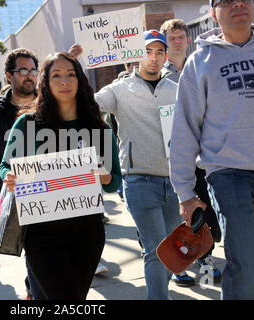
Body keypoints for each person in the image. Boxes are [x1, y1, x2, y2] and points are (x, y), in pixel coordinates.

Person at [170, 0, 254, 299]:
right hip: (228, 175)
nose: (238, 4)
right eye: (227, 0)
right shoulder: (199, 62)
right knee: (247, 262)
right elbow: (184, 130)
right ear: (213, 13)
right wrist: (185, 193)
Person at [70, 30, 184, 299]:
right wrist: (75, 65)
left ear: (166, 56)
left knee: (170, 251)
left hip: (176, 183)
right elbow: (88, 105)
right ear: (136, 55)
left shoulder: (177, 90)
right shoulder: (119, 89)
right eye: (147, 51)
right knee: (156, 249)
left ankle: (160, 290)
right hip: (139, 181)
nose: (153, 58)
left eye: (159, 52)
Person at [0, 52, 121, 300]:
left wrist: (104, 177)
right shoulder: (27, 124)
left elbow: (115, 182)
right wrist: (10, 177)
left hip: (87, 232)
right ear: (45, 82)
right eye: (56, 75)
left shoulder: (99, 128)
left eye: (70, 74)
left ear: (80, 80)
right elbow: (5, 166)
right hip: (40, 233)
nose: (64, 81)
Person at [161, 18, 222, 286]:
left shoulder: (202, 65)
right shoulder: (156, 76)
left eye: (180, 36)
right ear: (165, 43)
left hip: (205, 157)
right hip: (173, 157)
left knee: (205, 216)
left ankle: (205, 261)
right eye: (171, 37)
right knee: (184, 214)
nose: (177, 41)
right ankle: (180, 265)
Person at [0, 48, 39, 215]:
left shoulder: (50, 107)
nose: (29, 75)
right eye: (22, 70)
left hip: (51, 195)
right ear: (9, 75)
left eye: (33, 70)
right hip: (14, 199)